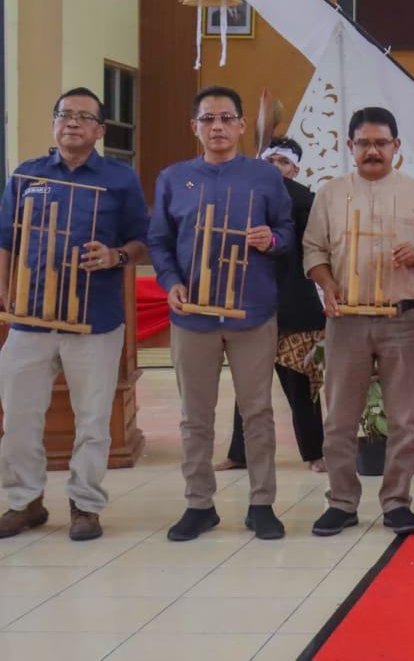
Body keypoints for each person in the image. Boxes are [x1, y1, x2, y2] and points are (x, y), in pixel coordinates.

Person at [0, 88, 149, 542]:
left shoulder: (120, 179)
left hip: (95, 320)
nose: (73, 123)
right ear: (53, 123)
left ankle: (86, 505)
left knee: (92, 418)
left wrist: (115, 256)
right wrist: (6, 299)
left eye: (85, 117)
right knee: (20, 417)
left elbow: (142, 241)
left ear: (100, 131)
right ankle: (24, 501)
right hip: (29, 321)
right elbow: (6, 239)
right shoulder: (26, 175)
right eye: (65, 114)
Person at [148, 85, 294, 541]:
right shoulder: (174, 178)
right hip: (193, 315)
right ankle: (199, 504)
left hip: (252, 312)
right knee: (196, 415)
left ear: (241, 124)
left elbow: (288, 230)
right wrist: (171, 282)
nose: (217, 127)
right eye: (208, 119)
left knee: (258, 412)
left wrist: (271, 240)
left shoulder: (265, 177)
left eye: (226, 118)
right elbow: (159, 240)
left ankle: (262, 502)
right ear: (195, 127)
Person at [305, 107, 414, 537]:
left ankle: (397, 502)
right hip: (346, 319)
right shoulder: (330, 194)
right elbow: (313, 250)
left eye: (381, 143)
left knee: (405, 418)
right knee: (339, 420)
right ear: (350, 147)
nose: (372, 151)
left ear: (396, 148)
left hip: (402, 319)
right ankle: (343, 502)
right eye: (364, 143)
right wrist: (327, 284)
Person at [216, 136, 326, 475]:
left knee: (300, 386)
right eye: (270, 161)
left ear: (295, 169)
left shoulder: (306, 200)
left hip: (295, 308)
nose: (275, 168)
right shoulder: (244, 199)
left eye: (282, 162)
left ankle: (315, 452)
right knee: (248, 387)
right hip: (253, 305)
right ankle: (240, 453)